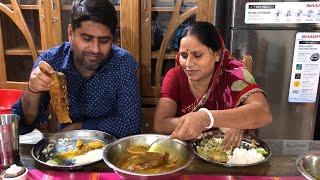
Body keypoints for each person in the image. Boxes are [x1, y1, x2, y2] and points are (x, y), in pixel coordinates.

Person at [12, 0, 141, 138]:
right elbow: (22, 125)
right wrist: (33, 90)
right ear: (70, 33)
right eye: (87, 38)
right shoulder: (51, 61)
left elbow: (131, 125)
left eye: (104, 41)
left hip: (112, 151)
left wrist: (78, 127)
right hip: (68, 149)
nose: (95, 49)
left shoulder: (123, 63)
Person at [153, 22, 272, 149]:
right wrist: (207, 121)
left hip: (229, 152)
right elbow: (160, 124)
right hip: (186, 154)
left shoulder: (234, 74)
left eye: (197, 55)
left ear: (217, 55)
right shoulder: (175, 77)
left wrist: (206, 118)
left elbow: (263, 113)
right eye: (184, 55)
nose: (188, 64)